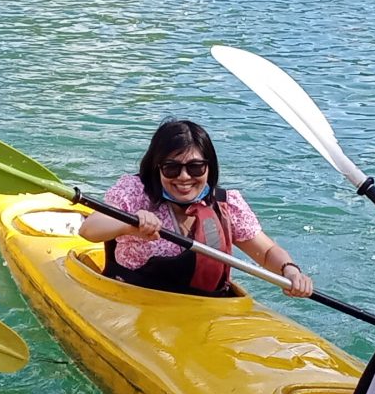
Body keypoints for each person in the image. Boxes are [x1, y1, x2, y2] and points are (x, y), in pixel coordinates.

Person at [77, 118, 314, 299]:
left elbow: (268, 251)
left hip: (204, 309)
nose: (183, 177)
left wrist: (290, 272)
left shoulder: (226, 205)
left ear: (208, 168)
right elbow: (89, 229)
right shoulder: (136, 192)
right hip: (135, 301)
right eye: (171, 168)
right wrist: (129, 224)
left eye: (195, 167)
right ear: (157, 167)